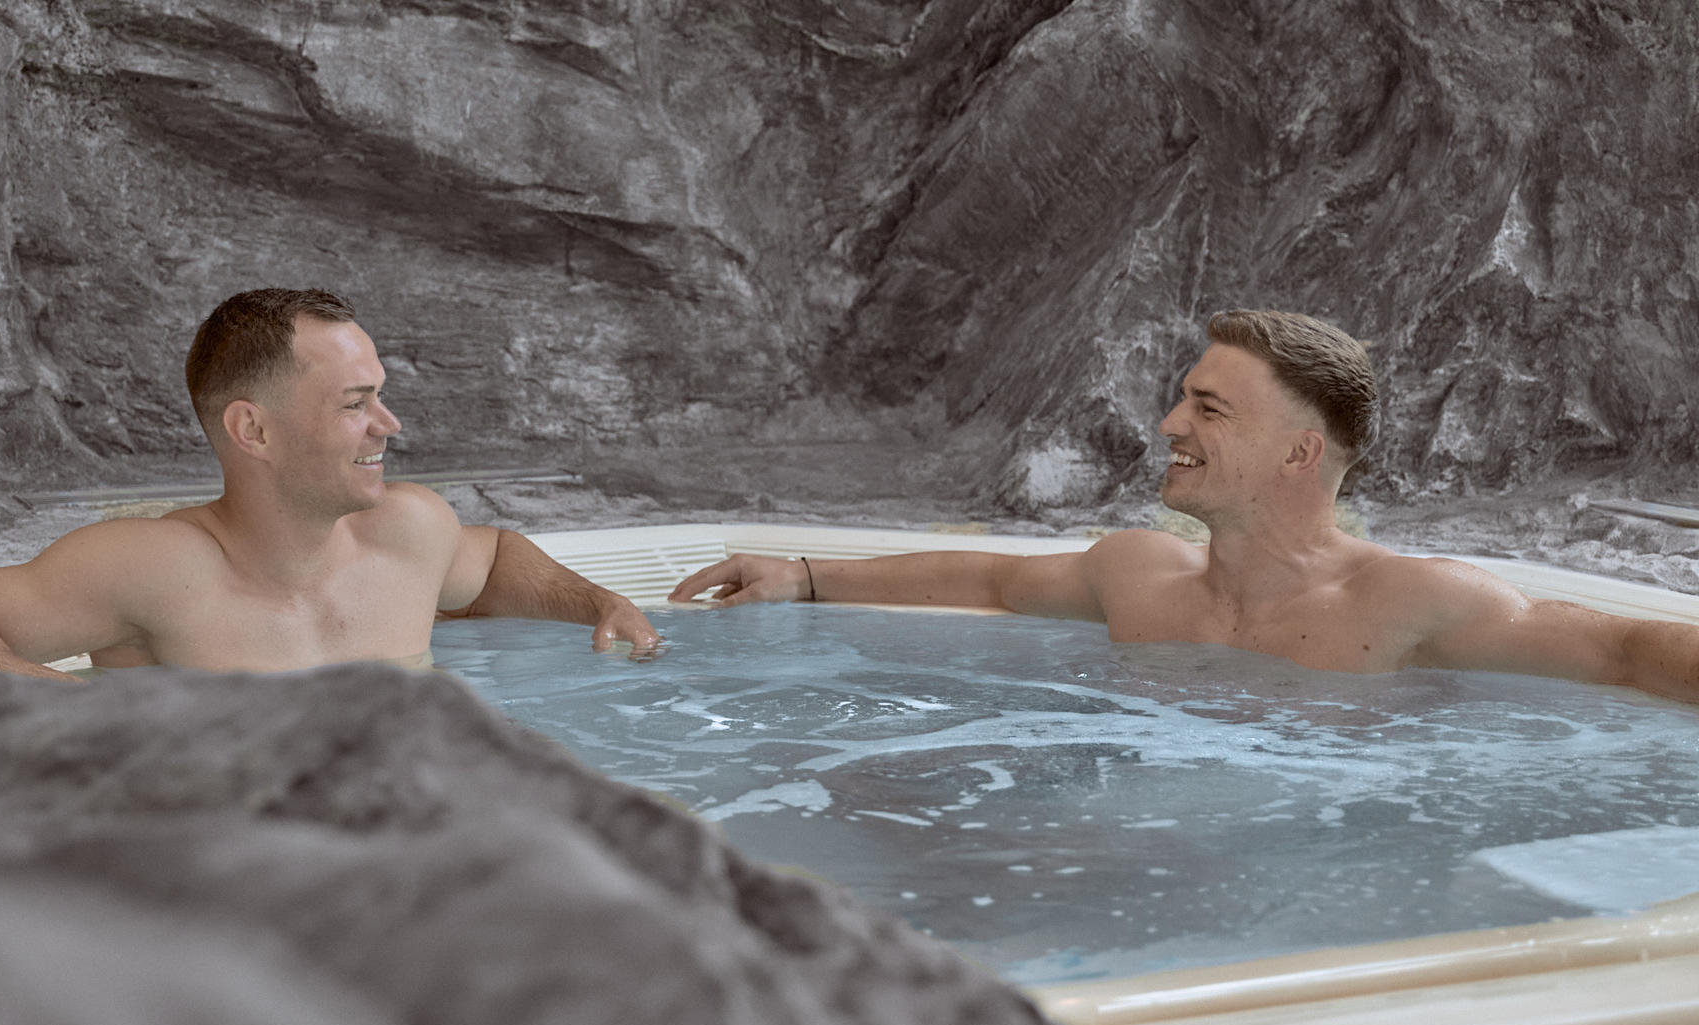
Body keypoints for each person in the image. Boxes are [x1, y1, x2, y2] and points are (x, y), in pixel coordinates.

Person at [670, 309, 1699, 703]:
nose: (1169, 424)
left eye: (1207, 407)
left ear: (1299, 451)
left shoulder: (1405, 603)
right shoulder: (1138, 575)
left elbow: (1620, 650)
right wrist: (804, 576)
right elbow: (990, 579)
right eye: (1181, 399)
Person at [0, 289, 659, 678]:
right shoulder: (162, 570)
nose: (388, 424)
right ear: (254, 431)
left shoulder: (411, 531)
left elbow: (495, 564)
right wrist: (71, 712)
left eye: (378, 396)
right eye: (355, 404)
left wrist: (599, 603)